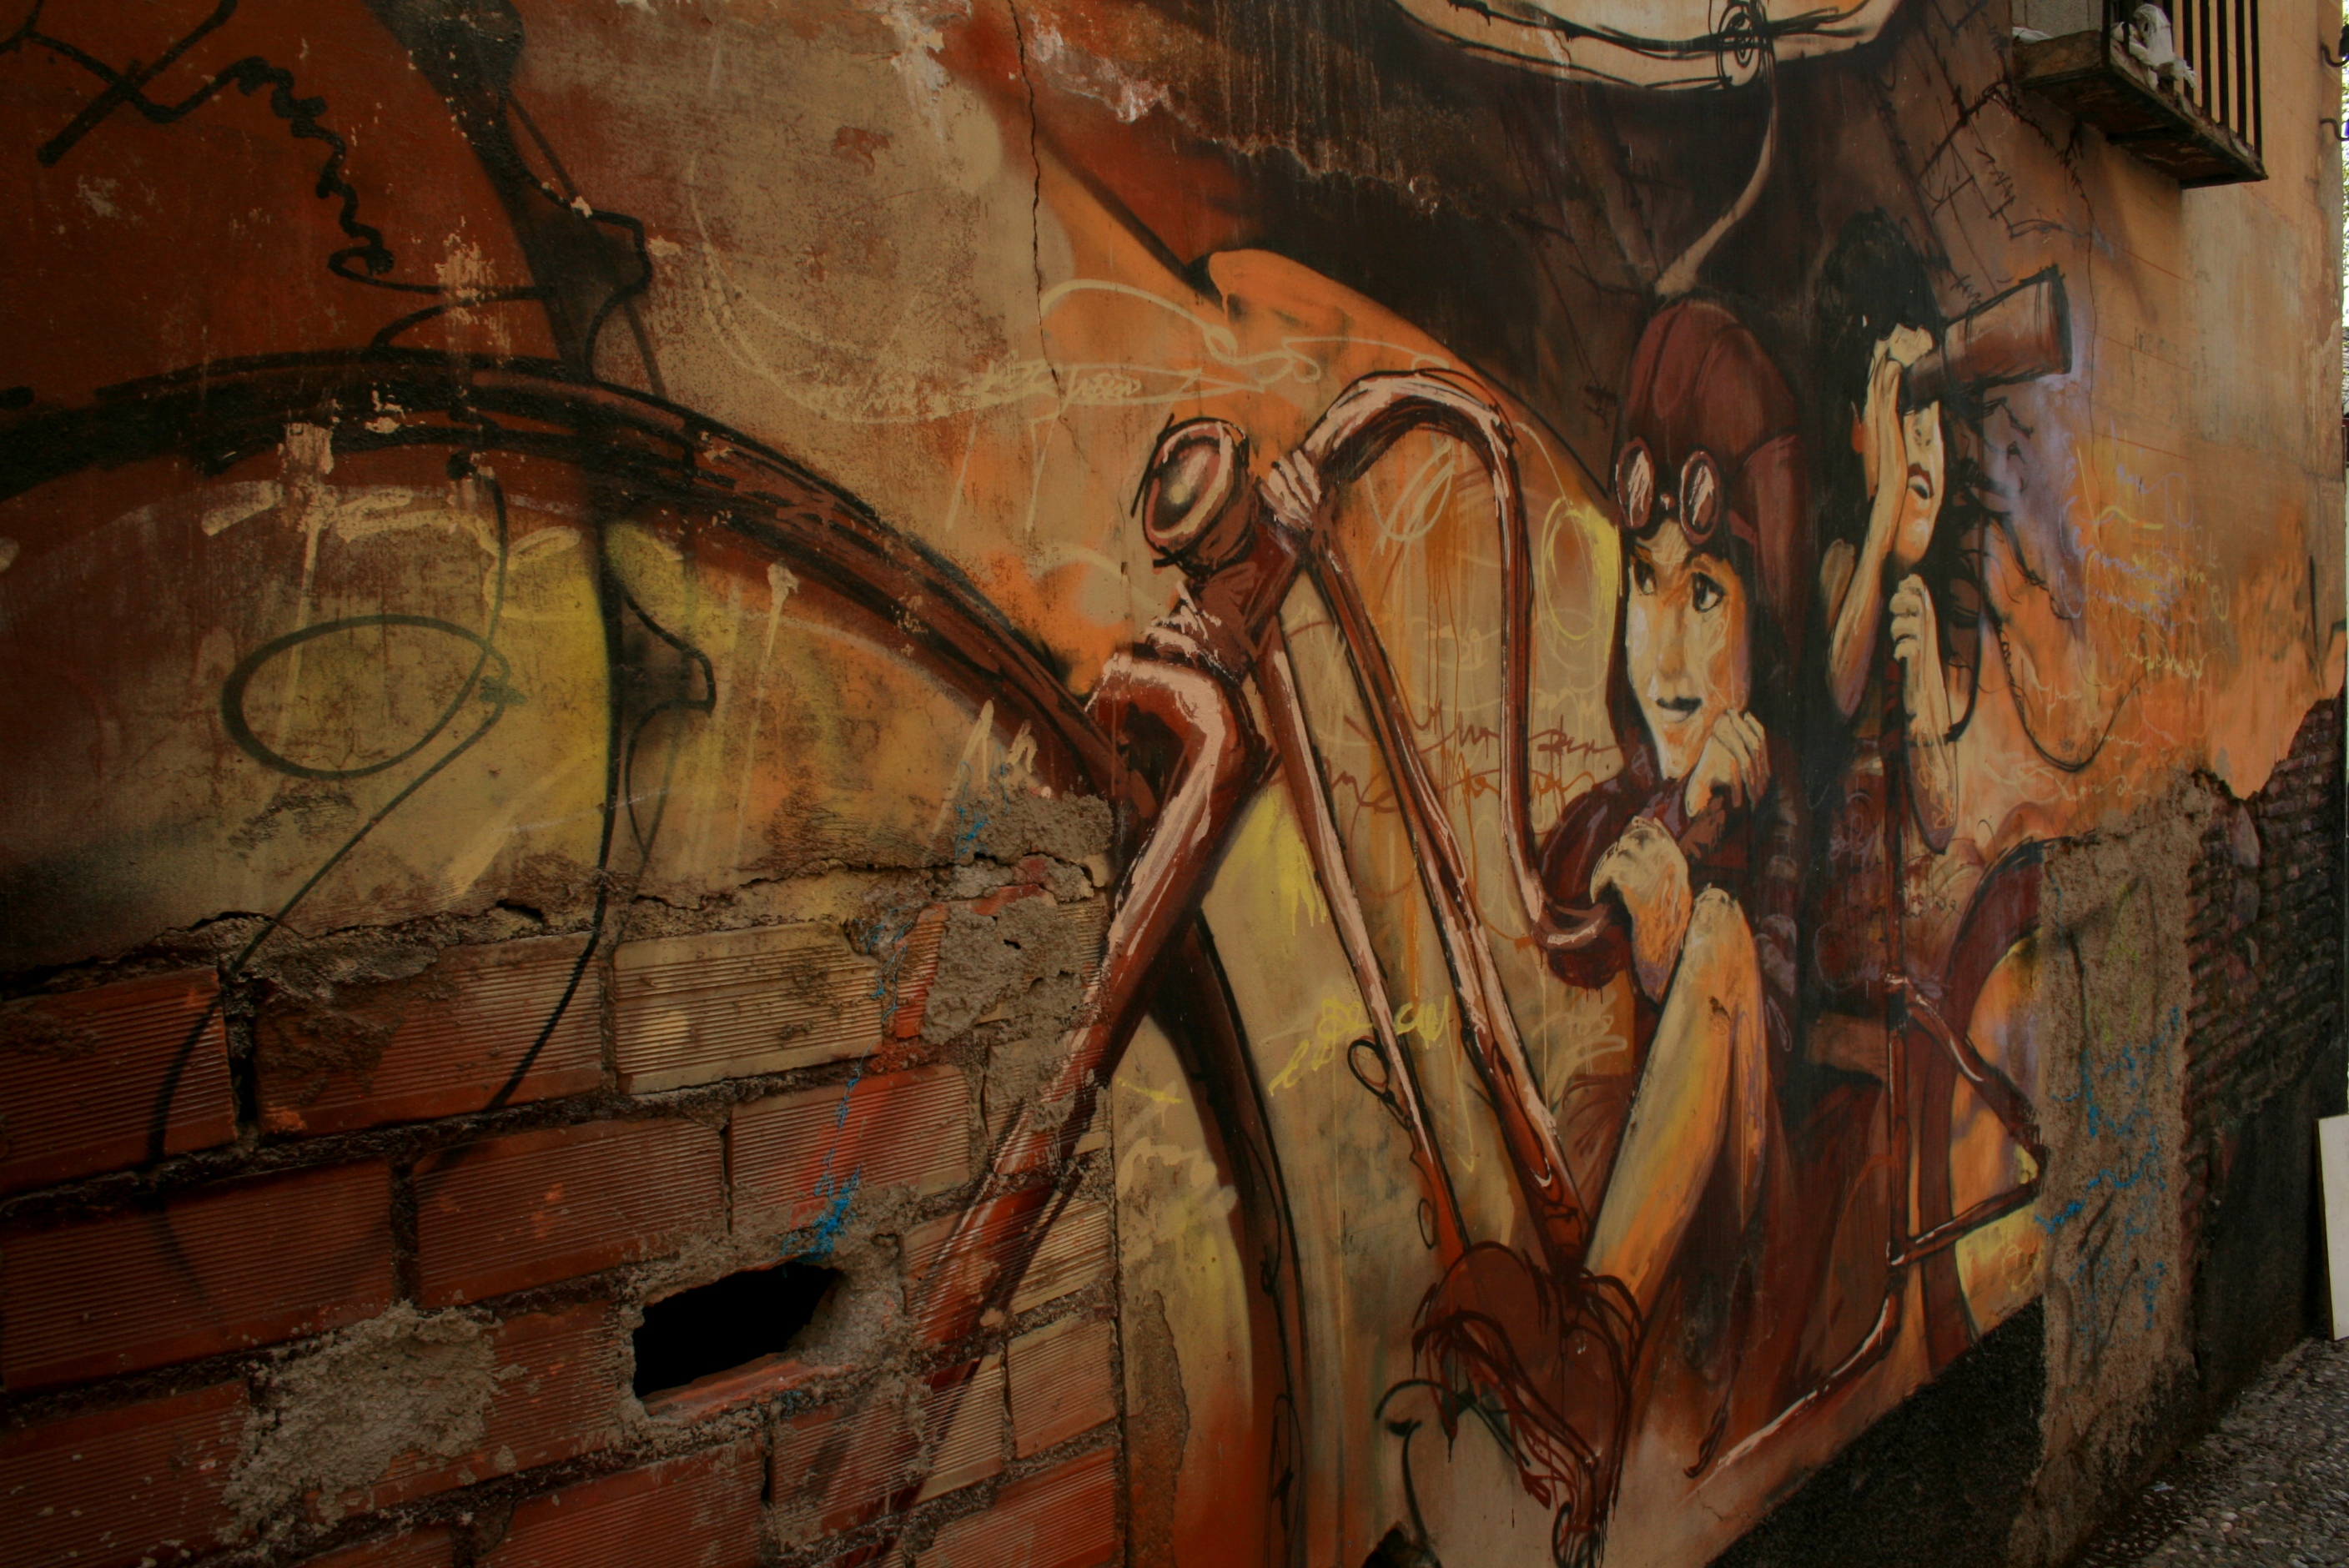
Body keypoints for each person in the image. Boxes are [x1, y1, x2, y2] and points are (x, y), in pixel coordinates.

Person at [1408, 296, 1810, 1566]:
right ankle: (1545, 1348)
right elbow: (1550, 945)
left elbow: (1779, 1056)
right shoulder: (1611, 821)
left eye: (1708, 592)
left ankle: (1588, 1364)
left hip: (1752, 1235)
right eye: (1647, 584)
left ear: (1762, 613)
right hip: (1613, 1218)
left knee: (1722, 935)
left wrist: (1686, 929)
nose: (1668, 645)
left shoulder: (1780, 808)